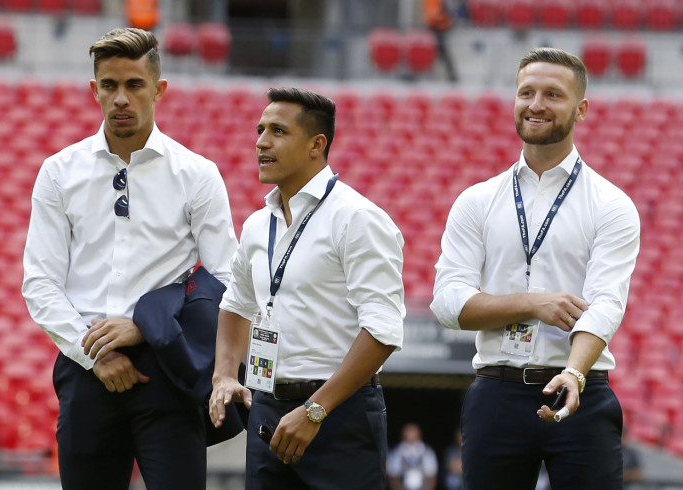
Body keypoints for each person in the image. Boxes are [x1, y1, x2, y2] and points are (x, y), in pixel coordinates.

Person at [22, 27, 238, 490]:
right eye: (110, 85)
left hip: (169, 369)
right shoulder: (59, 172)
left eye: (134, 85)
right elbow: (39, 283)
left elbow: (227, 279)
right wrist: (93, 353)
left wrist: (145, 326)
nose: (121, 98)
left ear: (158, 90)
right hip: (86, 371)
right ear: (94, 90)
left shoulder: (197, 175)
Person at [431, 47, 640, 490]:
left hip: (582, 392)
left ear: (581, 109)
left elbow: (606, 303)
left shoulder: (613, 205)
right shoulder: (476, 200)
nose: (536, 104)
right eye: (526, 92)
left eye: (553, 94)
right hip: (496, 393)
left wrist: (574, 372)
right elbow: (448, 304)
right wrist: (533, 303)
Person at [208, 87, 405, 489]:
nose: (261, 142)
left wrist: (315, 411)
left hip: (338, 415)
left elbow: (383, 331)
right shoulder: (257, 225)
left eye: (278, 131)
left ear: (317, 144)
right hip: (265, 409)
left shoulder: (358, 218)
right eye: (260, 130)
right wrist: (225, 375)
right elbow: (235, 305)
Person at [387, 422, 438, 490]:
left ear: (419, 434)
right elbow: (393, 477)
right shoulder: (397, 452)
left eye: (413, 431)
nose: (411, 434)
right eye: (408, 432)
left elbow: (431, 477)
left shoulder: (427, 452)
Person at [422, 0, 458, 82]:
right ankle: (432, 74)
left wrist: (438, 17)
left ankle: (451, 75)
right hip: (432, 27)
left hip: (440, 28)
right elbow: (428, 13)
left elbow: (448, 13)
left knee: (442, 52)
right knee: (434, 52)